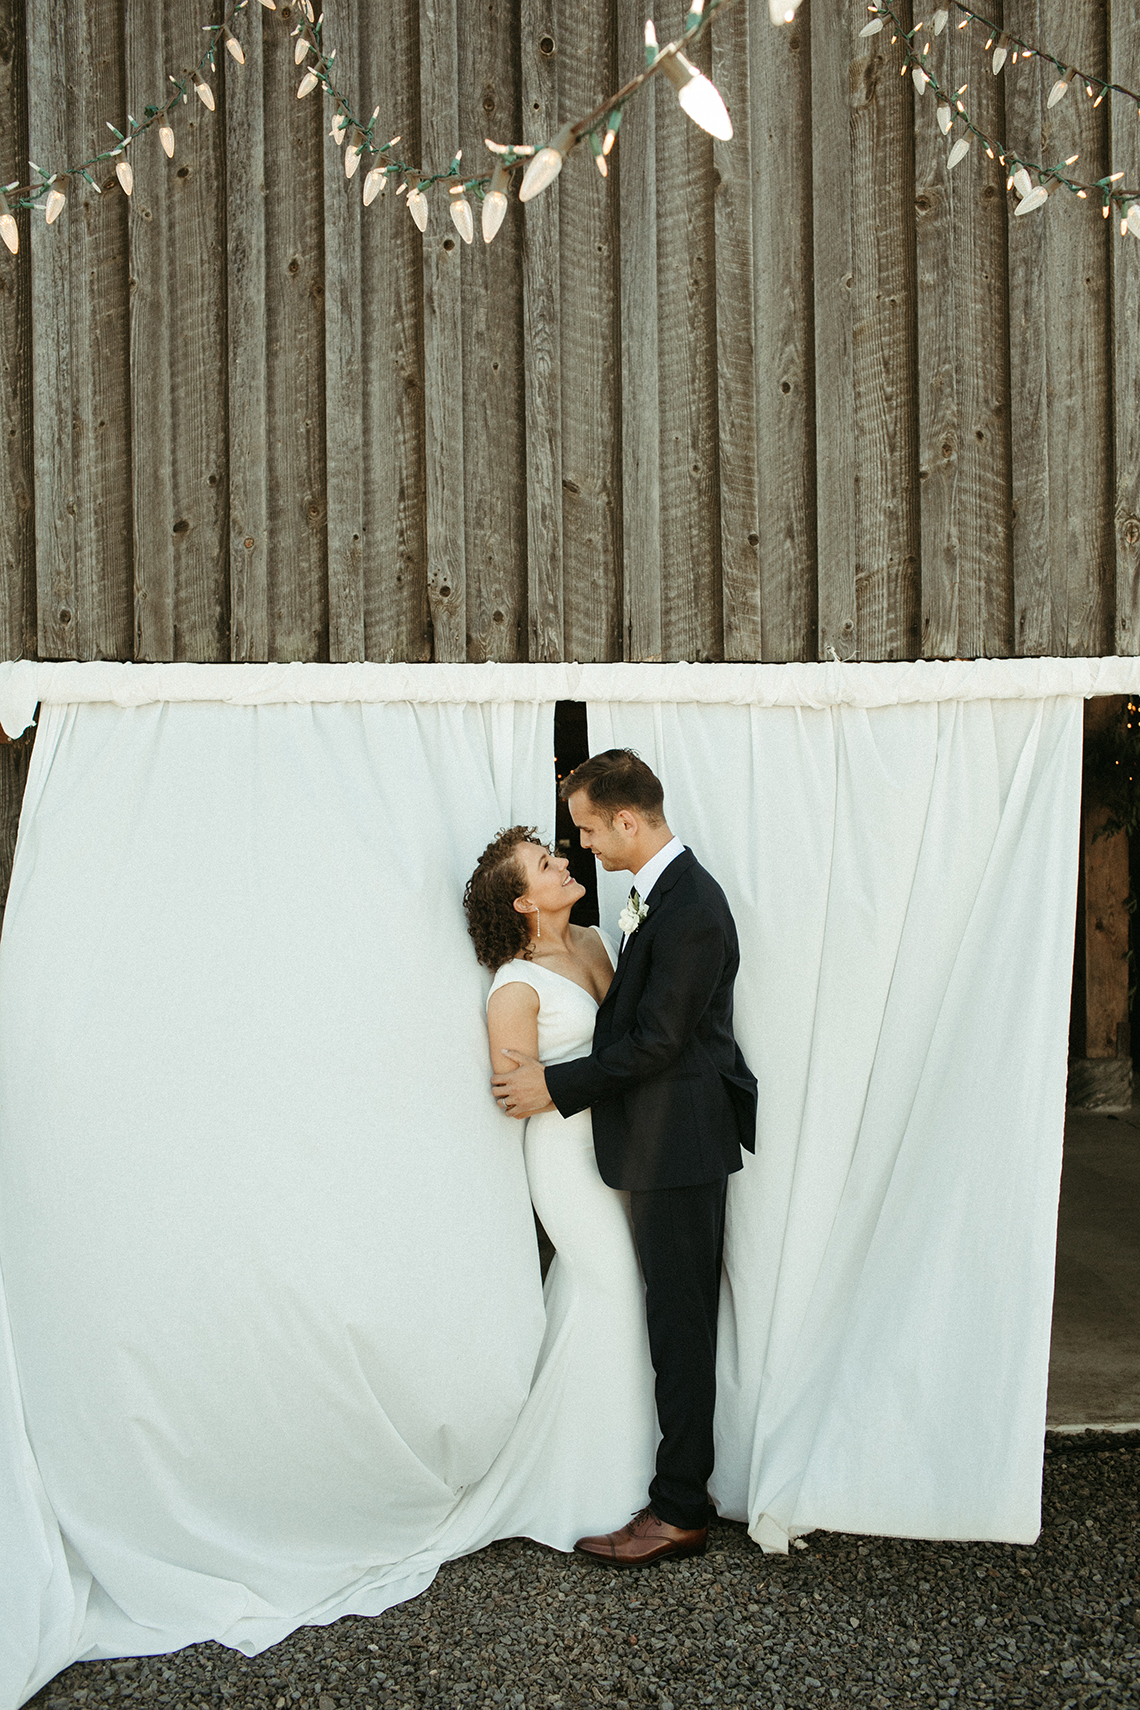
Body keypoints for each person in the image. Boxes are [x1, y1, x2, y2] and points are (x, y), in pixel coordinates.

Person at [492, 751, 757, 1568]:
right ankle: (653, 1483)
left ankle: (678, 1511)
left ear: (628, 823)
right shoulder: (660, 899)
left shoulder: (692, 910)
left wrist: (555, 1086)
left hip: (677, 1142)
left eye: (587, 829)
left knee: (678, 1325)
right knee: (663, 1317)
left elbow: (657, 1041)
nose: (584, 846)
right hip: (651, 1142)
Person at [446, 827, 657, 1554]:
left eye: (557, 856)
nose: (565, 864)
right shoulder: (516, 985)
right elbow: (518, 1095)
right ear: (521, 901)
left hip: (626, 1150)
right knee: (617, 1287)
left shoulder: (600, 942)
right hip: (567, 1162)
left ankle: (631, 1470)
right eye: (545, 865)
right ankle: (603, 1488)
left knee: (602, 1297)